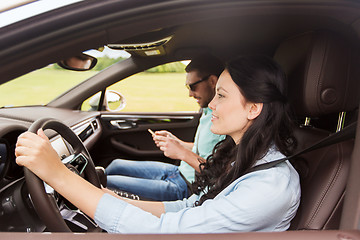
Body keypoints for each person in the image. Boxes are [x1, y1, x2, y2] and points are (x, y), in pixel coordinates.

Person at [15, 55, 301, 234]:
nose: (211, 103)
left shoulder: (270, 186)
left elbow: (163, 231)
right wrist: (107, 197)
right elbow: (190, 207)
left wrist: (58, 175)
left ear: (253, 108)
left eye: (222, 96)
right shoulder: (248, 157)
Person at [105, 54, 226, 201]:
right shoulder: (207, 111)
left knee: (105, 182)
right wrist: (177, 143)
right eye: (188, 87)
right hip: (178, 172)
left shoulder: (223, 120)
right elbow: (206, 150)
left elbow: (217, 172)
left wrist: (181, 152)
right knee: (115, 165)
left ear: (213, 81)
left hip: (188, 186)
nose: (189, 94)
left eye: (193, 87)